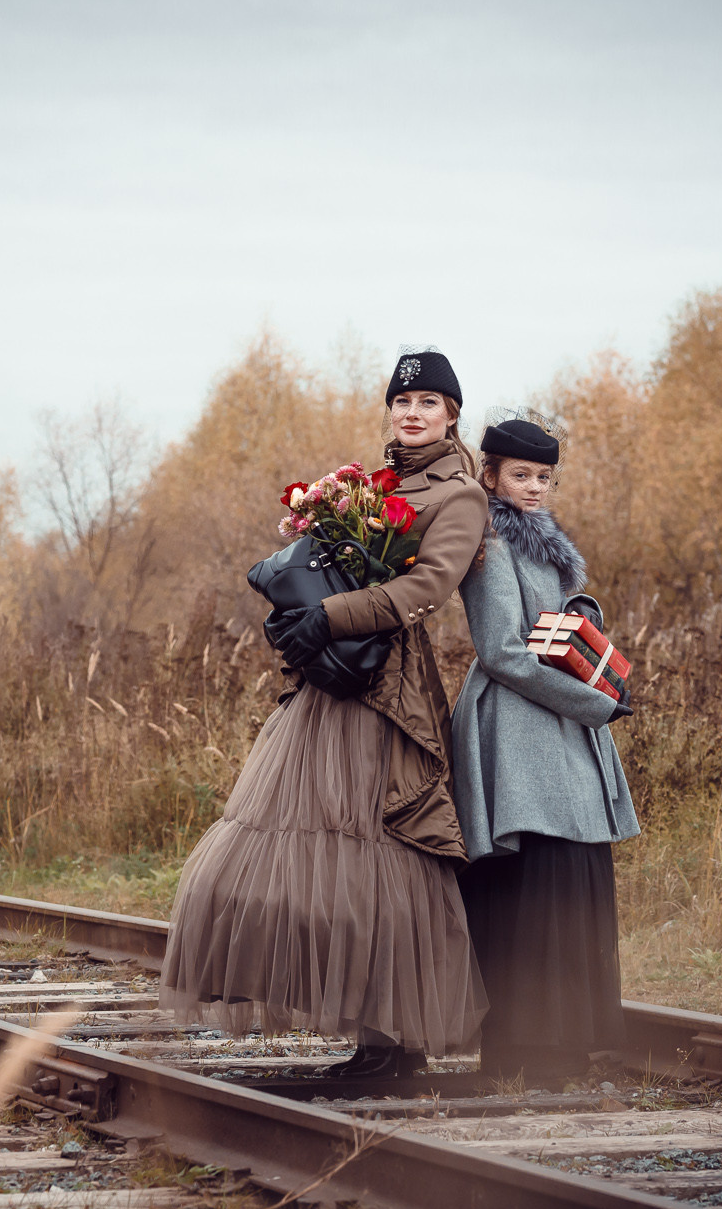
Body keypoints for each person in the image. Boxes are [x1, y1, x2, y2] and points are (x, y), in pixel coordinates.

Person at [160, 348, 490, 1078]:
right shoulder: (370, 486)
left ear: (452, 415)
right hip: (329, 685)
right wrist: (295, 609)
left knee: (386, 850)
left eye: (429, 403)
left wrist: (329, 616)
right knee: (304, 850)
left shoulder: (462, 495)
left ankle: (396, 1042)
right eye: (402, 401)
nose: (412, 413)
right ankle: (362, 1031)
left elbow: (428, 588)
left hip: (389, 689)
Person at [450, 413, 638, 1083]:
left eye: (544, 478)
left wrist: (583, 618)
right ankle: (521, 1046)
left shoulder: (543, 543)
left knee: (568, 873)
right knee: (533, 876)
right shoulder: (490, 544)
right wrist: (594, 703)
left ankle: (561, 1044)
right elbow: (502, 651)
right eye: (521, 475)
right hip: (516, 725)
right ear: (491, 474)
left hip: (556, 719)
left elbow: (548, 627)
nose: (534, 487)